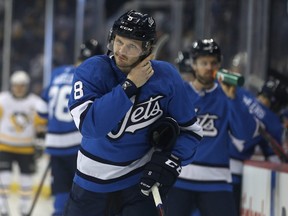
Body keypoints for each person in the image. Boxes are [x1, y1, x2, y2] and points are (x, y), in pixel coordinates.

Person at [64, 10, 203, 216]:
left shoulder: (167, 77)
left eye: (132, 46)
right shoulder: (92, 70)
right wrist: (129, 86)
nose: (121, 50)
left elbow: (191, 131)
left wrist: (171, 160)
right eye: (119, 42)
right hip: (90, 186)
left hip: (139, 185)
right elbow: (91, 127)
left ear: (147, 49)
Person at [164, 39, 257, 216]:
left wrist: (233, 99)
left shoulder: (232, 94)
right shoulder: (179, 92)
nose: (209, 67)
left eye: (213, 63)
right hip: (178, 177)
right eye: (204, 63)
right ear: (193, 64)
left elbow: (245, 134)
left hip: (217, 180)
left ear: (220, 65)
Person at [35, 39, 104, 216]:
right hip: (78, 145)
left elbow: (42, 111)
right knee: (83, 195)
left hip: (54, 145)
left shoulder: (57, 73)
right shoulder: (93, 76)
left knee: (60, 193)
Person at [229, 75, 288, 214]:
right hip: (233, 174)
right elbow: (275, 159)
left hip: (203, 160)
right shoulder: (273, 122)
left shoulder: (241, 93)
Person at [0, 71, 44, 216]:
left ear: (26, 86)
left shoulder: (35, 102)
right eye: (16, 85)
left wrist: (39, 143)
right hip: (5, 146)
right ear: (12, 86)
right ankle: (2, 208)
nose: (19, 88)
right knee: (4, 179)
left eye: (22, 85)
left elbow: (41, 126)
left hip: (26, 148)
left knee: (26, 180)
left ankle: (24, 209)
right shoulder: (3, 99)